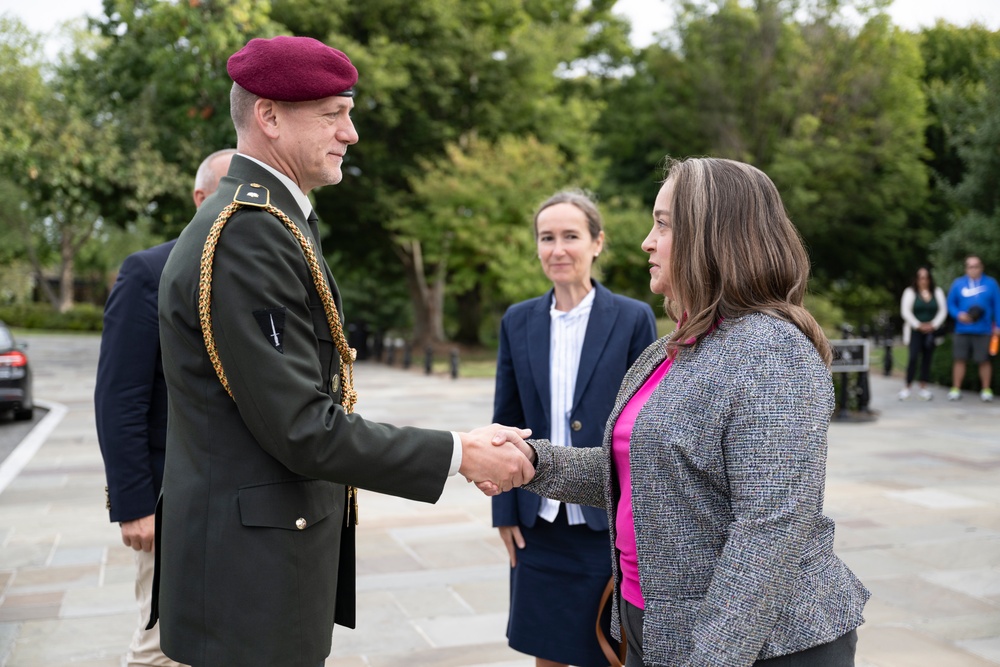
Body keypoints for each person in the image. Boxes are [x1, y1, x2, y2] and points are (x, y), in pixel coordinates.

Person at [150, 36, 533, 667]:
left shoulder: (271, 221)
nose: (350, 133)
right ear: (269, 117)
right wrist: (459, 452)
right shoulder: (250, 235)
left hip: (256, 570)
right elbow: (303, 427)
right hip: (250, 586)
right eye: (332, 114)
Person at [490, 157, 870, 666]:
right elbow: (630, 472)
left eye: (663, 224)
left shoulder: (773, 351)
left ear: (714, 236)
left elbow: (770, 533)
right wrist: (531, 462)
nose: (647, 241)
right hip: (656, 622)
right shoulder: (674, 346)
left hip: (760, 647)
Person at [492, 191, 657, 667]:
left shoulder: (631, 318)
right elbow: (506, 418)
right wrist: (504, 509)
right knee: (547, 652)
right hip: (537, 524)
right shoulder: (518, 320)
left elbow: (643, 422)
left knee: (606, 652)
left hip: (604, 523)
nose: (558, 249)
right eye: (547, 238)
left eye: (571, 236)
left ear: (597, 243)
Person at [95, 147, 235, 667]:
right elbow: (120, 395)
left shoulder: (261, 268)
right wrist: (133, 503)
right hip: (171, 501)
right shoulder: (149, 271)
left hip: (245, 503)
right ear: (200, 198)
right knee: (162, 649)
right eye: (228, 190)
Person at [946, 255, 1000, 402]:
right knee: (959, 359)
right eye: (970, 266)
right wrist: (958, 315)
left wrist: (998, 325)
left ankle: (986, 389)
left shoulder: (991, 283)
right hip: (962, 329)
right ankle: (956, 388)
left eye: (976, 266)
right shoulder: (958, 283)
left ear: (981, 267)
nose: (973, 269)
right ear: (966, 268)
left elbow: (997, 305)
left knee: (984, 360)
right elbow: (950, 304)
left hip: (984, 329)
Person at [898, 266, 947, 401]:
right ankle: (907, 386)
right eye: (920, 278)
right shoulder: (910, 292)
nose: (923, 281)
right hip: (915, 331)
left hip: (931, 332)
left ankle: (923, 386)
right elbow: (905, 311)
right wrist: (918, 325)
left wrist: (933, 325)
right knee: (913, 358)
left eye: (926, 278)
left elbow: (943, 310)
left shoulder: (937, 292)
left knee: (927, 358)